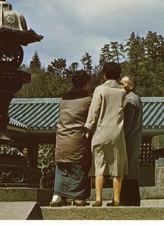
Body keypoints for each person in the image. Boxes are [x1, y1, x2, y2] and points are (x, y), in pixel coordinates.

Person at [85, 62, 127, 207]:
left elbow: (94, 111)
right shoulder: (122, 92)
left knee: (99, 166)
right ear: (118, 75)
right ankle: (116, 199)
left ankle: (98, 198)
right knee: (117, 167)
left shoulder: (100, 90)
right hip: (117, 132)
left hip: (101, 132)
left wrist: (88, 128)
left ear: (104, 74)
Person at [50, 70, 93, 207]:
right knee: (79, 168)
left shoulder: (63, 99)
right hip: (77, 140)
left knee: (62, 167)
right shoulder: (88, 101)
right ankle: (78, 198)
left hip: (61, 139)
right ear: (86, 85)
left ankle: (57, 196)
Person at [120, 75, 143, 206]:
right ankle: (132, 199)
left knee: (127, 170)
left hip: (129, 140)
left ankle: (126, 199)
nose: (120, 86)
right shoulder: (134, 99)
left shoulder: (131, 101)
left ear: (131, 85)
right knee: (131, 170)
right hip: (133, 139)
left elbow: (127, 123)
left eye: (122, 84)